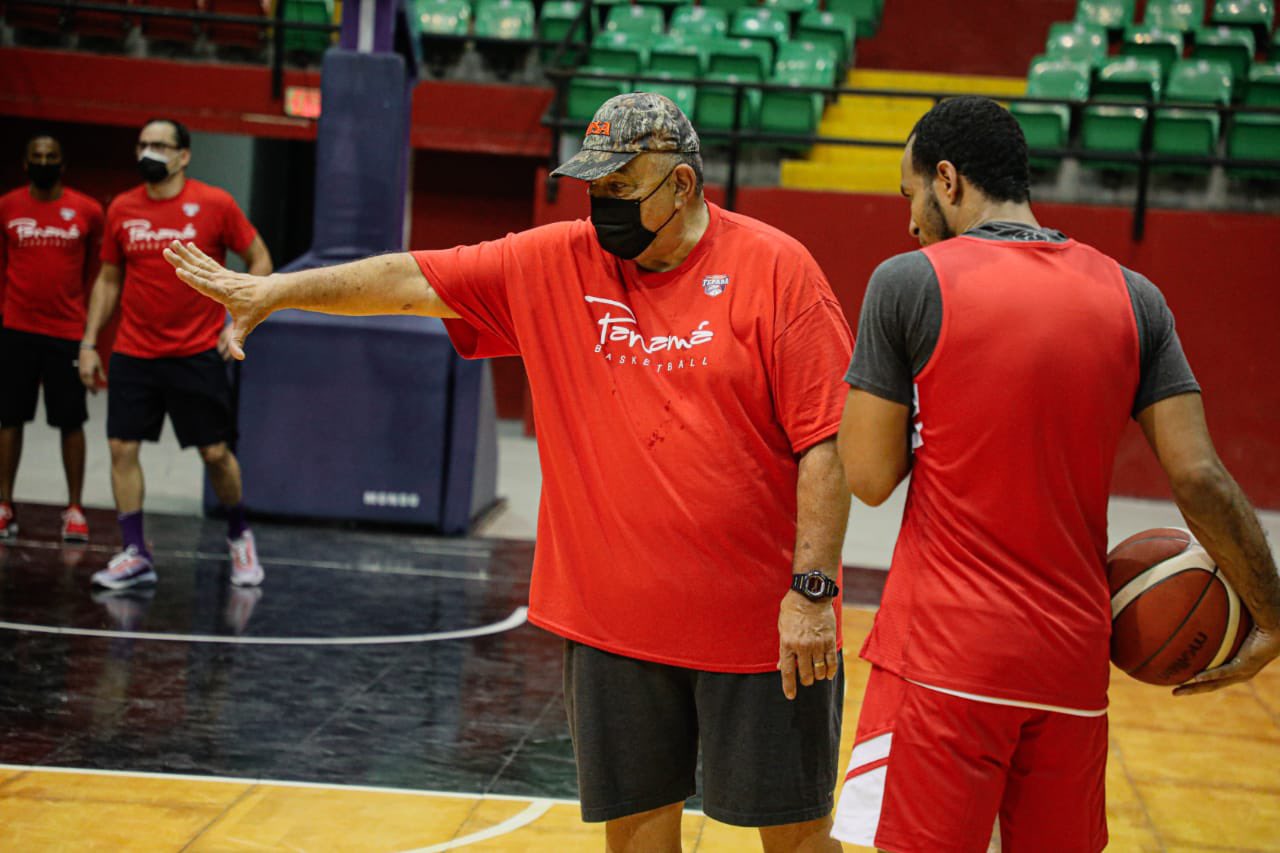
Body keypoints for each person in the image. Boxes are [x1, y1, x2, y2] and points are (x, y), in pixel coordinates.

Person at [164, 93, 855, 851]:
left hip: (762, 628)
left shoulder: (779, 270)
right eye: (595, 190)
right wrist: (277, 292)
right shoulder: (557, 261)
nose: (603, 208)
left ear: (683, 185)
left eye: (623, 189)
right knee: (635, 840)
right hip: (612, 628)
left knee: (796, 840)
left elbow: (827, 442)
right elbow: (409, 281)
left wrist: (813, 590)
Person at [832, 96, 1280, 853]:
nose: (909, 219)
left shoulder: (906, 283)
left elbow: (869, 475)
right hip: (1070, 669)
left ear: (947, 180)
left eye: (909, 193)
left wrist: (931, 404)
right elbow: (1200, 477)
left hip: (943, 658)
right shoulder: (1136, 298)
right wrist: (1271, 611)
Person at [79, 118, 274, 590]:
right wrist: (88, 342)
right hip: (134, 351)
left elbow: (260, 261)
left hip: (195, 351)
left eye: (160, 145)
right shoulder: (123, 208)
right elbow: (108, 279)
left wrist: (234, 323)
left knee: (215, 452)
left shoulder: (215, 204)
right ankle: (136, 552)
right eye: (143, 144)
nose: (150, 152)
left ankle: (238, 536)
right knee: (122, 447)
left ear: (184, 155)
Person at [0, 134, 103, 542]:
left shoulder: (88, 211)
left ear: (63, 165)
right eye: (36, 157)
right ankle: (5, 505)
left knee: (71, 421)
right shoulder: (7, 207)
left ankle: (75, 509)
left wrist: (87, 334)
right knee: (9, 418)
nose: (44, 162)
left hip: (66, 332)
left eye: (51, 157)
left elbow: (96, 272)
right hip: (16, 329)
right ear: (25, 164)